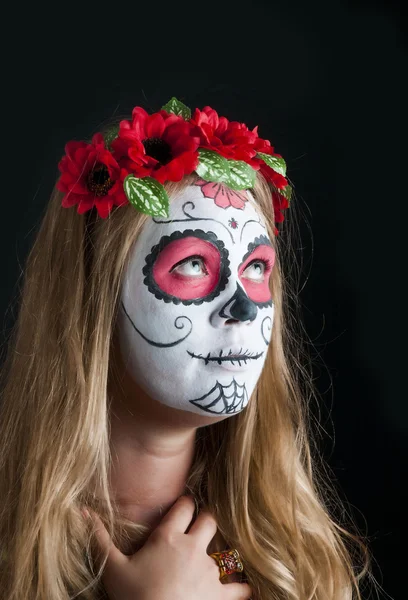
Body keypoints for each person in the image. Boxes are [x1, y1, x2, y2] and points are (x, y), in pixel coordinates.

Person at [0, 97, 373, 599]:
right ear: (93, 298)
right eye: (194, 264)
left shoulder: (261, 552)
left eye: (257, 267)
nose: (242, 309)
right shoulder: (14, 551)